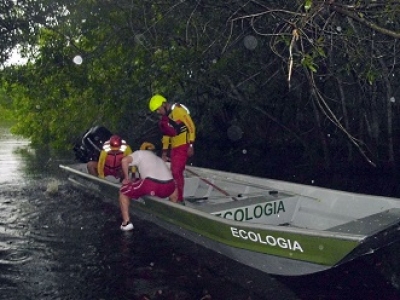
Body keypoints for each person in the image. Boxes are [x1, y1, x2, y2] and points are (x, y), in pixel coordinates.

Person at [148, 94, 196, 203]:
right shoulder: (166, 118)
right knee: (174, 173)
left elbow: (191, 126)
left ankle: (178, 199)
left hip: (184, 145)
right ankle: (176, 196)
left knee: (176, 172)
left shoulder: (178, 111)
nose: (158, 112)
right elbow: (166, 135)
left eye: (158, 109)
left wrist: (191, 145)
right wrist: (164, 152)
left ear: (164, 104)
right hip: (175, 147)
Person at [118, 145, 175, 231]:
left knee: (123, 192)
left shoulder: (139, 153)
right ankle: (171, 215)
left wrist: (127, 179)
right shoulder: (158, 159)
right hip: (169, 185)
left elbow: (124, 160)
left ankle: (126, 223)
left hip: (151, 184)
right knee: (173, 191)